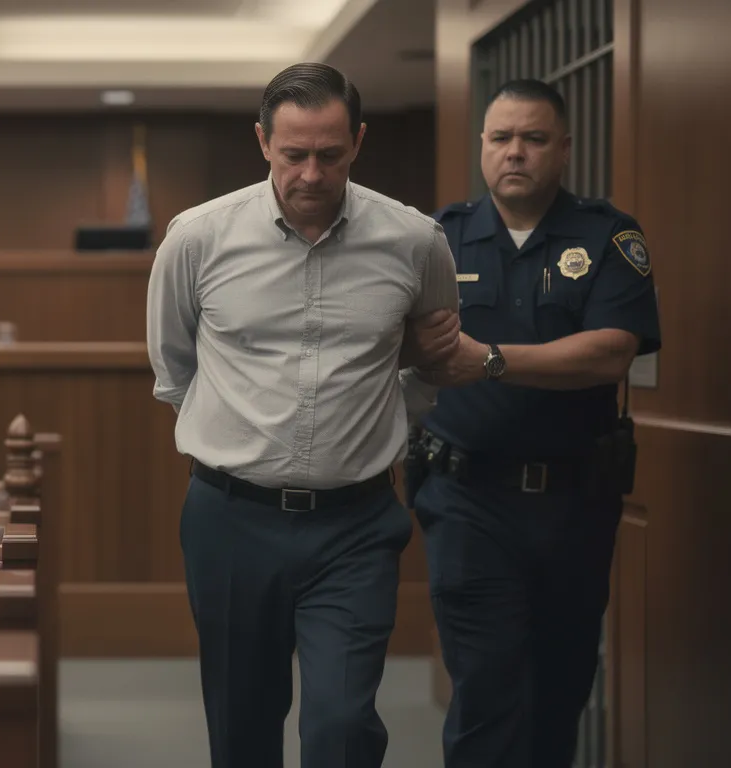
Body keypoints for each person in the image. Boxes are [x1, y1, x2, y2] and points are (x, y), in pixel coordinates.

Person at [146, 61, 461, 768]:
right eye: (293, 155)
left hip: (354, 524)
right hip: (231, 518)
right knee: (242, 727)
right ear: (262, 142)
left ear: (358, 141)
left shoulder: (415, 241)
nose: (311, 174)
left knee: (341, 726)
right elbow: (174, 370)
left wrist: (378, 422)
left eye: (329, 154)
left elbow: (432, 362)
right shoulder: (197, 238)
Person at [410, 79, 662, 768]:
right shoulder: (439, 238)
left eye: (534, 138)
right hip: (467, 500)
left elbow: (611, 350)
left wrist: (487, 360)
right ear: (483, 147)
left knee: (560, 690)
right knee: (486, 689)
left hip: (575, 505)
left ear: (565, 150)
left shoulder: (608, 235)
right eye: (501, 138)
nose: (514, 152)